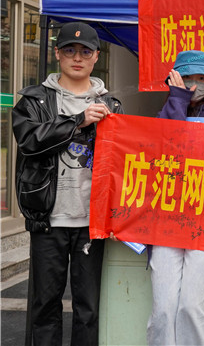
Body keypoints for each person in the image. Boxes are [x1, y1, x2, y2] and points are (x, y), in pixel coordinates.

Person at [12, 21, 123, 346]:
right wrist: (78, 121)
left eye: (85, 51)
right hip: (49, 219)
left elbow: (120, 162)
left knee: (88, 309)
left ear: (96, 56)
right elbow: (29, 141)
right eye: (70, 50)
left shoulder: (112, 105)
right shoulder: (34, 101)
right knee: (45, 306)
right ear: (57, 53)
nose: (77, 57)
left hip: (91, 223)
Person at [146, 50, 204, 346]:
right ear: (175, 81)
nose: (194, 84)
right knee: (163, 309)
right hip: (167, 221)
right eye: (187, 78)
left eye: (201, 78)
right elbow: (165, 146)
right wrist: (178, 100)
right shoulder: (166, 111)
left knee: (191, 308)